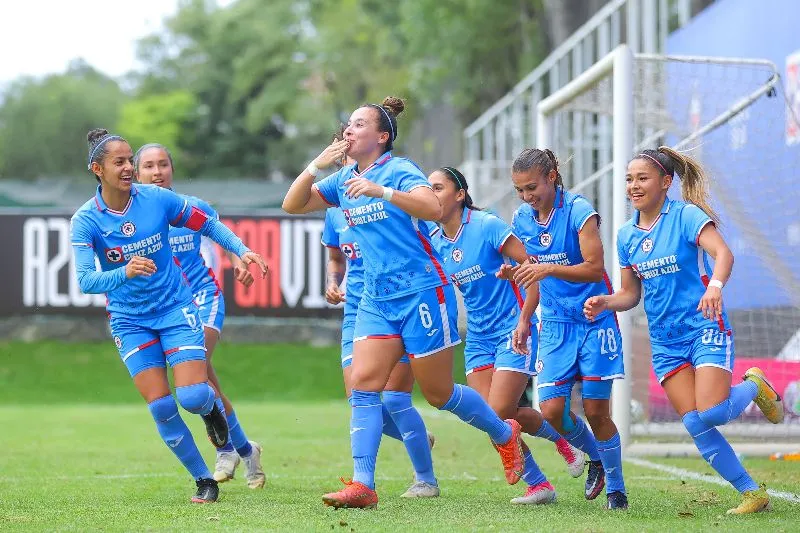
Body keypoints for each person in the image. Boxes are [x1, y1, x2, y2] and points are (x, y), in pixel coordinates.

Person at [283, 97, 525, 509]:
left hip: (422, 293)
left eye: (359, 124)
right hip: (377, 299)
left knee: (438, 393)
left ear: (381, 136)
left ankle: (505, 435)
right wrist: (315, 166)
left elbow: (433, 207)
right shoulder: (342, 180)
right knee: (362, 385)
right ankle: (363, 485)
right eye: (349, 123)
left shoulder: (399, 169)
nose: (349, 129)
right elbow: (292, 204)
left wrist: (382, 191)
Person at [71, 128, 268, 503]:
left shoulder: (158, 200)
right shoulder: (86, 221)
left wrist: (240, 250)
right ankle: (203, 480)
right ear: (98, 169)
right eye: (121, 162)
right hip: (129, 321)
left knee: (193, 395)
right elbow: (86, 280)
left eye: (131, 160)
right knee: (162, 405)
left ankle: (213, 413)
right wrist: (124, 272)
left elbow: (207, 223)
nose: (129, 167)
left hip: (176, 309)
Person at [583, 147, 784, 514]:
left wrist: (715, 288)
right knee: (694, 422)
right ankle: (753, 493)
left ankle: (754, 383)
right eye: (629, 179)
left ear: (665, 182)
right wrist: (606, 302)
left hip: (704, 326)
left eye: (642, 178)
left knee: (711, 412)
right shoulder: (626, 235)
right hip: (665, 341)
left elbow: (724, 254)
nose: (634, 186)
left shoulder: (686, 216)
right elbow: (630, 295)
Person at [429, 166, 586, 505]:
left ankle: (562, 441)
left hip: (513, 329)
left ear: (459, 195)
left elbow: (533, 272)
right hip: (479, 338)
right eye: (428, 189)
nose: (431, 194)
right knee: (491, 418)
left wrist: (525, 321)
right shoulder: (436, 242)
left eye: (438, 187)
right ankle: (540, 483)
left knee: (499, 413)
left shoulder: (486, 226)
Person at [134, 143, 266, 490]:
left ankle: (226, 450)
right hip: (166, 308)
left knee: (198, 370)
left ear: (173, 170)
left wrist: (239, 262)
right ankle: (244, 448)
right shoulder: (132, 219)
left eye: (163, 164)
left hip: (201, 299)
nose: (157, 171)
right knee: (204, 381)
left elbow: (219, 238)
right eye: (149, 166)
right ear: (136, 173)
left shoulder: (192, 208)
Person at [507, 148, 628, 510]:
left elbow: (594, 268)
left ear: (552, 177)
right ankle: (595, 458)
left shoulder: (578, 211)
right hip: (556, 325)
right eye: (520, 190)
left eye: (532, 187)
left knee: (595, 411)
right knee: (551, 411)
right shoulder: (521, 220)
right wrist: (525, 316)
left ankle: (617, 490)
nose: (528, 196)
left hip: (594, 320)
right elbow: (531, 276)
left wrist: (546, 269)